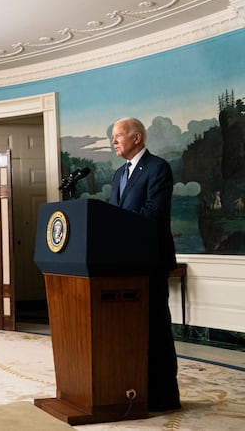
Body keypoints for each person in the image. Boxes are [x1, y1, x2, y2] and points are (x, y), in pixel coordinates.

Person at [108, 117, 181, 413]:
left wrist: (118, 224)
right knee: (131, 331)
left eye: (118, 135)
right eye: (112, 136)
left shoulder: (158, 168)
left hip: (150, 261)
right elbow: (114, 215)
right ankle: (135, 391)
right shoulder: (117, 175)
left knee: (156, 329)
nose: (113, 141)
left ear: (137, 138)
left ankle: (164, 398)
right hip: (124, 264)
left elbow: (154, 212)